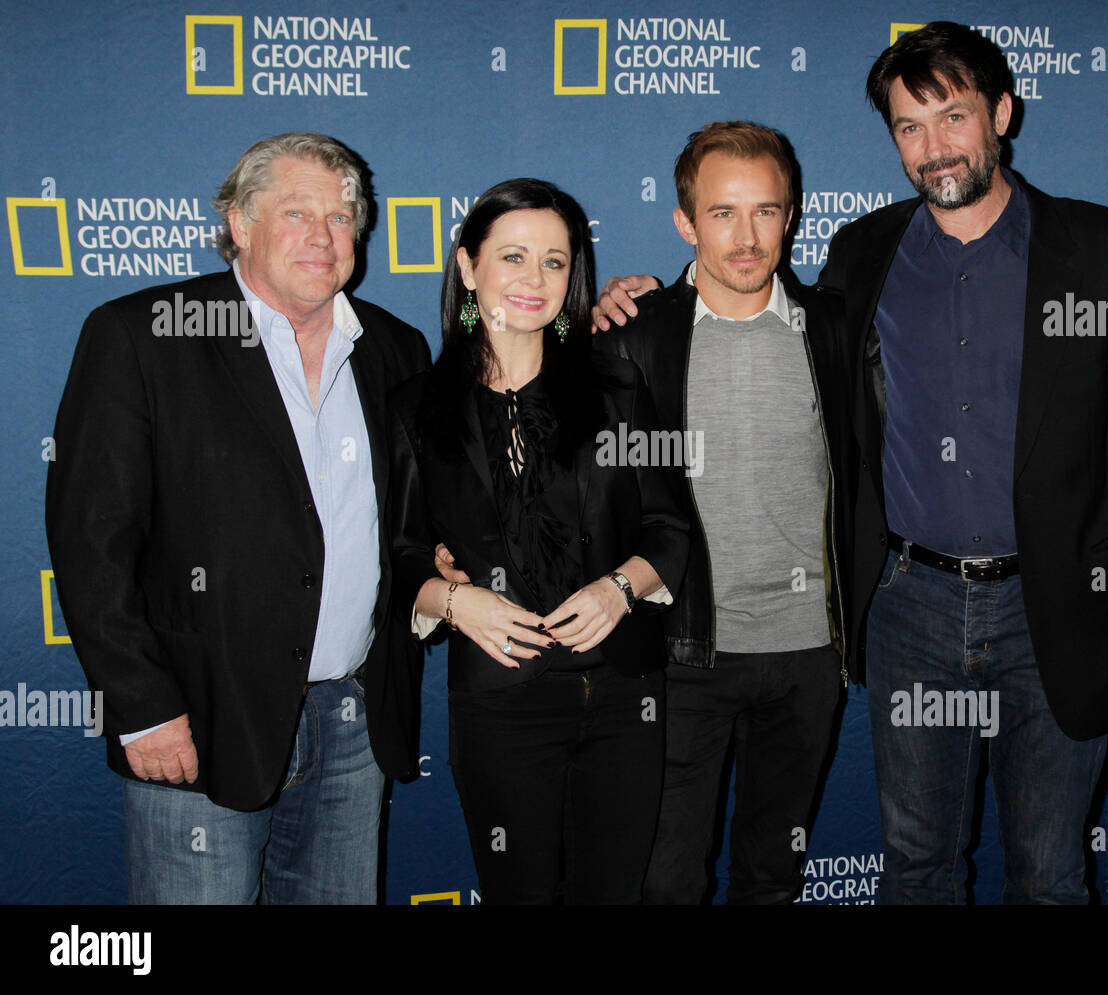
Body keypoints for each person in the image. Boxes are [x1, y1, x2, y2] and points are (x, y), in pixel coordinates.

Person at [594, 22, 1108, 905]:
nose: (934, 145)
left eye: (953, 116)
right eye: (910, 126)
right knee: (916, 864)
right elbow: (743, 312)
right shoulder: (864, 255)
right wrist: (631, 296)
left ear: (1002, 116)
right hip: (911, 608)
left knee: (1052, 871)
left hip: (1057, 607)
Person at [45, 132, 432, 904]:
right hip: (199, 721)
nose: (323, 237)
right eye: (296, 212)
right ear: (238, 223)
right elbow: (93, 546)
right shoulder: (142, 335)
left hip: (353, 719)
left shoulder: (396, 347)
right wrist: (144, 708)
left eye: (342, 215)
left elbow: (416, 521)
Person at [389, 178, 689, 904]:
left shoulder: (617, 388)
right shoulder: (416, 406)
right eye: (514, 257)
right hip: (501, 705)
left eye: (555, 262)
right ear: (468, 267)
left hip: (624, 698)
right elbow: (398, 555)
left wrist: (620, 589)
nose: (534, 279)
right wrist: (458, 603)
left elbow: (671, 528)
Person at [588, 122, 856, 904]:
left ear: (792, 215)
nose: (747, 238)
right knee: (667, 879)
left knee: (772, 874)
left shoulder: (833, 328)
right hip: (683, 651)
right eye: (723, 214)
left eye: (766, 212)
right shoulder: (632, 335)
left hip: (808, 654)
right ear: (684, 222)